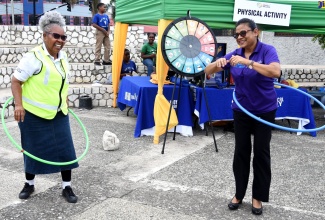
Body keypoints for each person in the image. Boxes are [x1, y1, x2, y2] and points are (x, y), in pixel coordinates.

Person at [205, 18, 281, 215]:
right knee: (241, 152)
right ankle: (239, 194)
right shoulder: (234, 55)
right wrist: (217, 64)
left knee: (262, 153)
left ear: (255, 32)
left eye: (243, 33)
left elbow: (275, 71)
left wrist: (249, 63)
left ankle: (258, 197)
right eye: (236, 34)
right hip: (242, 111)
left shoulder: (267, 50)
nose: (239, 37)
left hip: (265, 110)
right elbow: (207, 71)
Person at [11, 11, 79, 203]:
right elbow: (16, 81)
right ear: (44, 36)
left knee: (66, 151)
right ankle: (29, 183)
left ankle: (67, 187)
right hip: (33, 114)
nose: (60, 40)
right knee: (31, 150)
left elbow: (62, 82)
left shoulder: (63, 57)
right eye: (56, 36)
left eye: (63, 37)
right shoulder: (33, 57)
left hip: (58, 114)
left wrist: (64, 98)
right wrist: (18, 104)